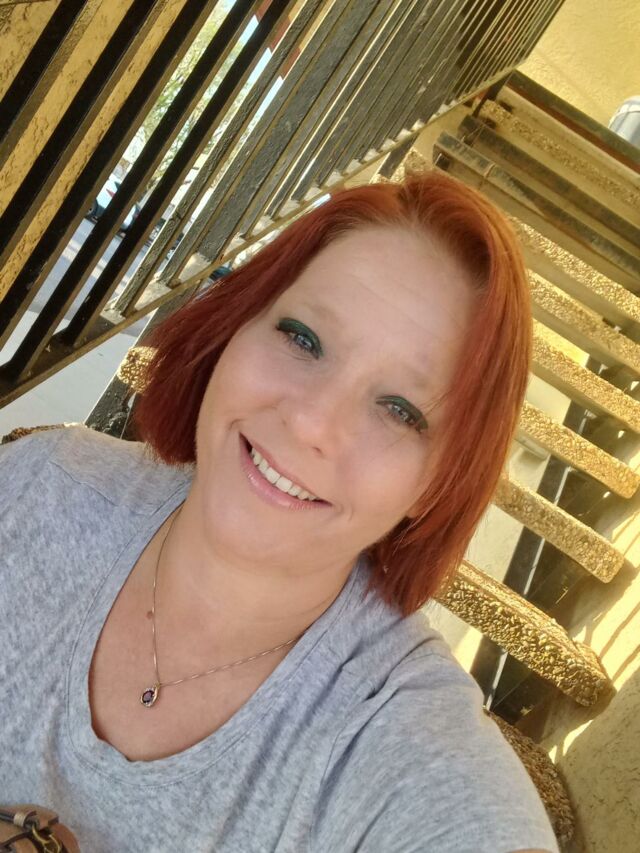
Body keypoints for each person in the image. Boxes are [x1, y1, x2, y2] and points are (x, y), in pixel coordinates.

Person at [0, 171, 560, 853]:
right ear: (233, 327)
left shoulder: (397, 744)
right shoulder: (37, 489)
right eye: (302, 338)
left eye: (400, 410)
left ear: (436, 486)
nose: (312, 423)